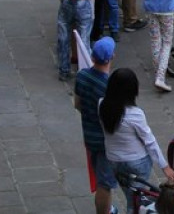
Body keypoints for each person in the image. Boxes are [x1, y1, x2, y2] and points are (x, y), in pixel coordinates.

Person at [100, 68, 174, 207]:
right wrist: (165, 167)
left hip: (113, 159)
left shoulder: (101, 105)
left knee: (131, 196)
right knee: (135, 202)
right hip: (136, 162)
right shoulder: (135, 114)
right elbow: (150, 142)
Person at [74, 36, 117, 214]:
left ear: (92, 57)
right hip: (105, 141)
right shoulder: (109, 87)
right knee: (105, 183)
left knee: (99, 175)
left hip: (89, 135)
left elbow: (77, 104)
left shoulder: (82, 76)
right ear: (111, 57)